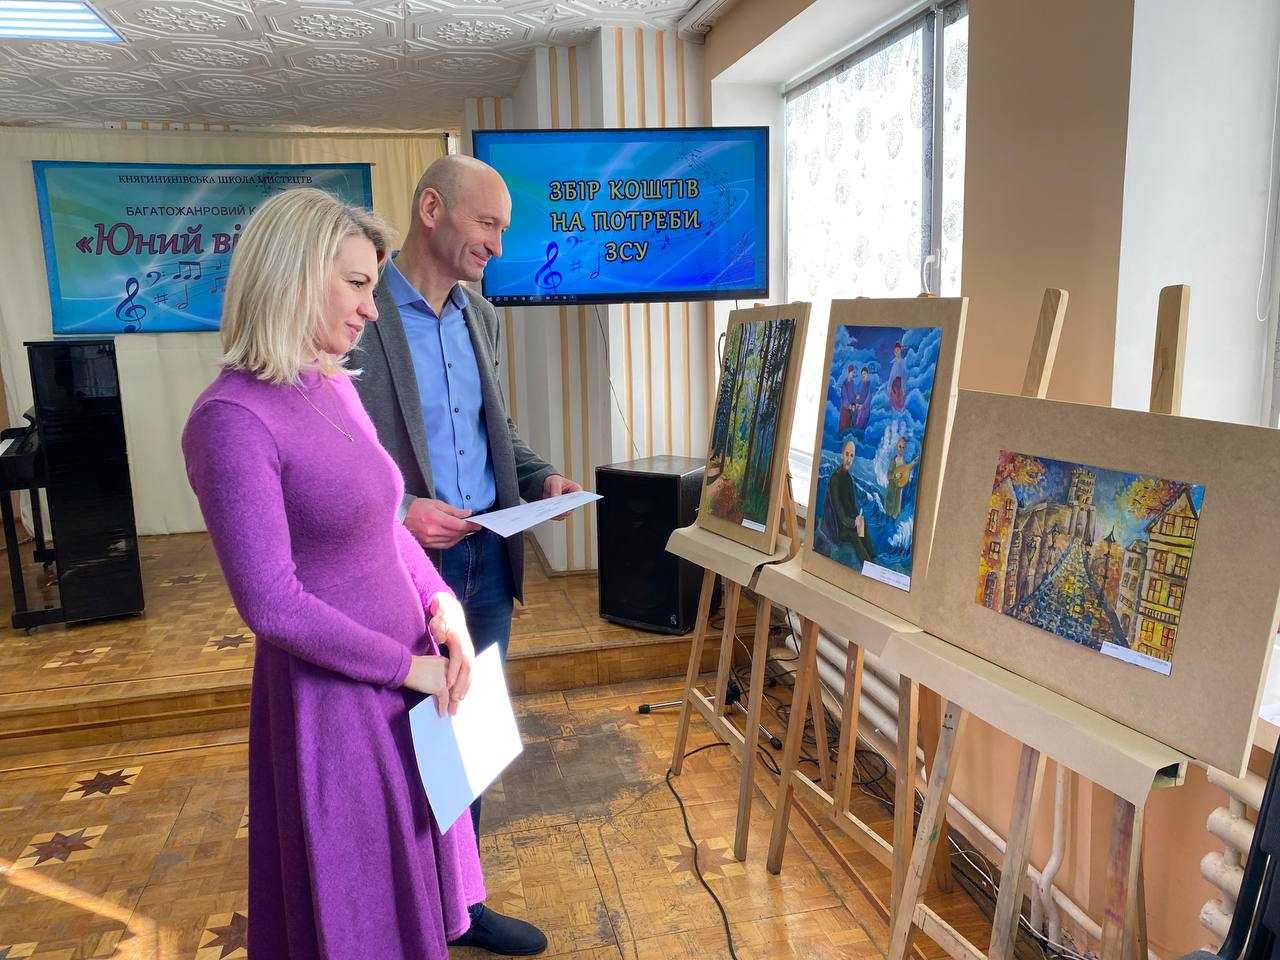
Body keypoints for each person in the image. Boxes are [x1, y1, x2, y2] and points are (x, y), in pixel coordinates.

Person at [182, 188, 484, 959]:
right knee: (361, 921)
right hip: (337, 706)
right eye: (356, 284)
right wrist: (406, 668)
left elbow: (384, 523)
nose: (371, 310)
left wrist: (442, 604)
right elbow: (272, 604)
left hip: (409, 681)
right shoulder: (230, 420)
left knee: (412, 900)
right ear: (292, 274)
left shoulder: (331, 383)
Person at [354, 154, 577, 956]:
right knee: (401, 745)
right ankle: (399, 909)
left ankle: (461, 904)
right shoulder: (359, 309)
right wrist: (399, 513)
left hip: (484, 560)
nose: (498, 245)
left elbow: (495, 431)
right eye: (487, 223)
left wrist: (538, 474)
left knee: (467, 742)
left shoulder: (483, 317)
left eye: (503, 229)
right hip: (401, 571)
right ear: (431, 210)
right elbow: (337, 449)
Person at [819, 440, 876, 564]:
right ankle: (867, 565)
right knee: (854, 536)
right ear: (842, 454)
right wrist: (853, 523)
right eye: (846, 454)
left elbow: (851, 506)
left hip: (846, 521)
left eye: (851, 455)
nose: (849, 459)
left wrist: (858, 519)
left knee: (862, 524)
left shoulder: (848, 478)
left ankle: (873, 560)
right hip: (836, 526)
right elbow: (839, 512)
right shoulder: (835, 479)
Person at [884, 435, 918, 519]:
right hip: (891, 491)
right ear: (897, 446)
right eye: (900, 447)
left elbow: (906, 473)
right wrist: (894, 475)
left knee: (896, 513)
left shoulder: (904, 463)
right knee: (888, 512)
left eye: (903, 448)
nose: (901, 449)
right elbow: (888, 475)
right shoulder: (893, 461)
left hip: (899, 492)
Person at [888, 341, 908, 412]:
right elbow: (891, 376)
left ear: (900, 350)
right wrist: (889, 386)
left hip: (899, 384)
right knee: (893, 403)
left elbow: (904, 375)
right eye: (895, 350)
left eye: (898, 350)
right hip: (894, 386)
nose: (896, 351)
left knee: (900, 403)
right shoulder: (894, 362)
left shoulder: (902, 362)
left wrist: (903, 387)